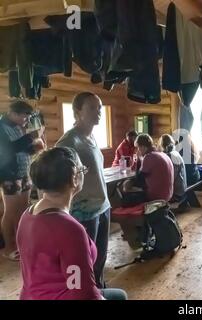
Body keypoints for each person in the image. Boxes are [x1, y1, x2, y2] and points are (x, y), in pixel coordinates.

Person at [17, 147, 127, 300]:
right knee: (120, 296)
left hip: (31, 295)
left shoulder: (28, 215)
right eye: (82, 169)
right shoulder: (69, 230)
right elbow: (82, 292)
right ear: (74, 178)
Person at [56, 92, 110, 288]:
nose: (98, 112)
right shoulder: (68, 142)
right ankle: (89, 292)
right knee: (86, 261)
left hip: (103, 205)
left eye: (100, 108)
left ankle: (100, 289)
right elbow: (60, 178)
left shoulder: (92, 137)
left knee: (101, 258)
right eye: (92, 108)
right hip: (84, 210)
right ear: (77, 111)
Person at [0, 100, 45, 261]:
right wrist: (30, 137)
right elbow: (7, 150)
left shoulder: (18, 127)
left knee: (22, 210)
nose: (26, 121)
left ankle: (21, 244)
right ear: (14, 113)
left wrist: (35, 147)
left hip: (24, 173)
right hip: (8, 175)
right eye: (25, 117)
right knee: (10, 212)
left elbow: (22, 149)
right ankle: (8, 248)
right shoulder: (1, 127)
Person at [132, 134, 174, 202]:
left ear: (143, 147)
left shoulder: (149, 157)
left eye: (138, 147)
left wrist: (138, 160)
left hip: (157, 196)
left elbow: (138, 181)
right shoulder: (162, 154)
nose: (137, 151)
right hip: (168, 194)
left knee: (127, 191)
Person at [159, 134, 187, 202]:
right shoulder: (175, 153)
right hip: (182, 186)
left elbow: (171, 177)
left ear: (162, 145)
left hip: (177, 191)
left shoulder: (170, 156)